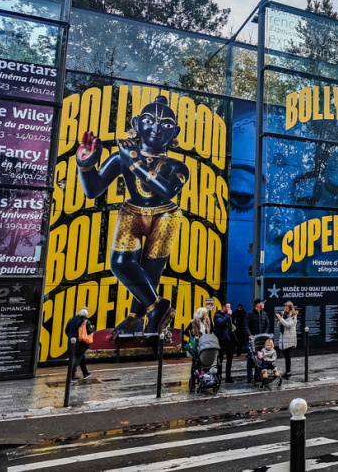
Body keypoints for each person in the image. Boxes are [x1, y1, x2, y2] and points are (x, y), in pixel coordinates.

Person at [75, 95, 189, 337]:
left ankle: (136, 317)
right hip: (131, 210)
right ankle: (157, 307)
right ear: (136, 123)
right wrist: (86, 166)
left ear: (175, 132)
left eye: (166, 125)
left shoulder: (177, 166)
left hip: (166, 214)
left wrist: (134, 162)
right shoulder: (122, 157)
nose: (156, 129)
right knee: (120, 263)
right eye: (148, 121)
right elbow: (93, 190)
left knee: (151, 269)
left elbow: (167, 191)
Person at [245, 298, 271, 383]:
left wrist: (265, 334)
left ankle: (257, 375)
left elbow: (267, 324)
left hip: (261, 340)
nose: (263, 304)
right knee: (251, 358)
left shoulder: (264, 314)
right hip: (252, 340)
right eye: (262, 303)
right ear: (258, 304)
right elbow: (245, 326)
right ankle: (249, 376)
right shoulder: (249, 314)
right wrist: (250, 335)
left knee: (260, 358)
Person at [64, 307, 94, 380]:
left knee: (81, 358)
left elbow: (66, 330)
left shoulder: (73, 319)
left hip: (71, 341)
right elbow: (90, 331)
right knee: (76, 359)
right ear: (86, 314)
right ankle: (71, 376)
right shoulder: (85, 321)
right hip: (80, 343)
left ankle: (85, 373)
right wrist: (92, 327)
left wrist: (71, 337)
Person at [214, 302, 236, 383]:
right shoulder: (217, 315)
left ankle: (228, 376)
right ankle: (218, 375)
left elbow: (229, 324)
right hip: (221, 339)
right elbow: (222, 322)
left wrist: (233, 326)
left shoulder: (228, 316)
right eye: (227, 307)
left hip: (229, 339)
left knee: (230, 358)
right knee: (220, 358)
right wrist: (228, 315)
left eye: (230, 307)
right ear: (223, 307)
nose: (229, 309)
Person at [276, 301, 298, 378]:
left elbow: (288, 325)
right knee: (285, 356)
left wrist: (280, 319)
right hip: (284, 338)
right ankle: (287, 371)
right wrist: (280, 319)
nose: (285, 309)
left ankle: (288, 373)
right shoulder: (284, 316)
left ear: (290, 308)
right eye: (284, 308)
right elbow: (279, 325)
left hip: (290, 339)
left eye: (287, 308)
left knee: (288, 356)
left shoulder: (293, 316)